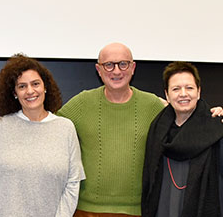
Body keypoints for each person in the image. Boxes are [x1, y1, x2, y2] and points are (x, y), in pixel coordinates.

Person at [56, 43, 166, 216]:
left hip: (137, 210)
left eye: (123, 64)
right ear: (98, 69)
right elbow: (49, 127)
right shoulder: (82, 102)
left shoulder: (152, 105)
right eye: (109, 65)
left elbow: (183, 124)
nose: (116, 71)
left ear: (133, 67)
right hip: (86, 210)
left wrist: (213, 113)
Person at [0, 54, 85, 216]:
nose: (30, 91)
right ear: (14, 93)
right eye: (22, 86)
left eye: (35, 84)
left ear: (45, 87)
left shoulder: (65, 128)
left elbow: (73, 182)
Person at [141, 61, 223, 217]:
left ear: (199, 92)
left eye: (189, 88)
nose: (183, 94)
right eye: (176, 89)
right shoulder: (157, 129)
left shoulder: (217, 128)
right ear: (167, 95)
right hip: (162, 208)